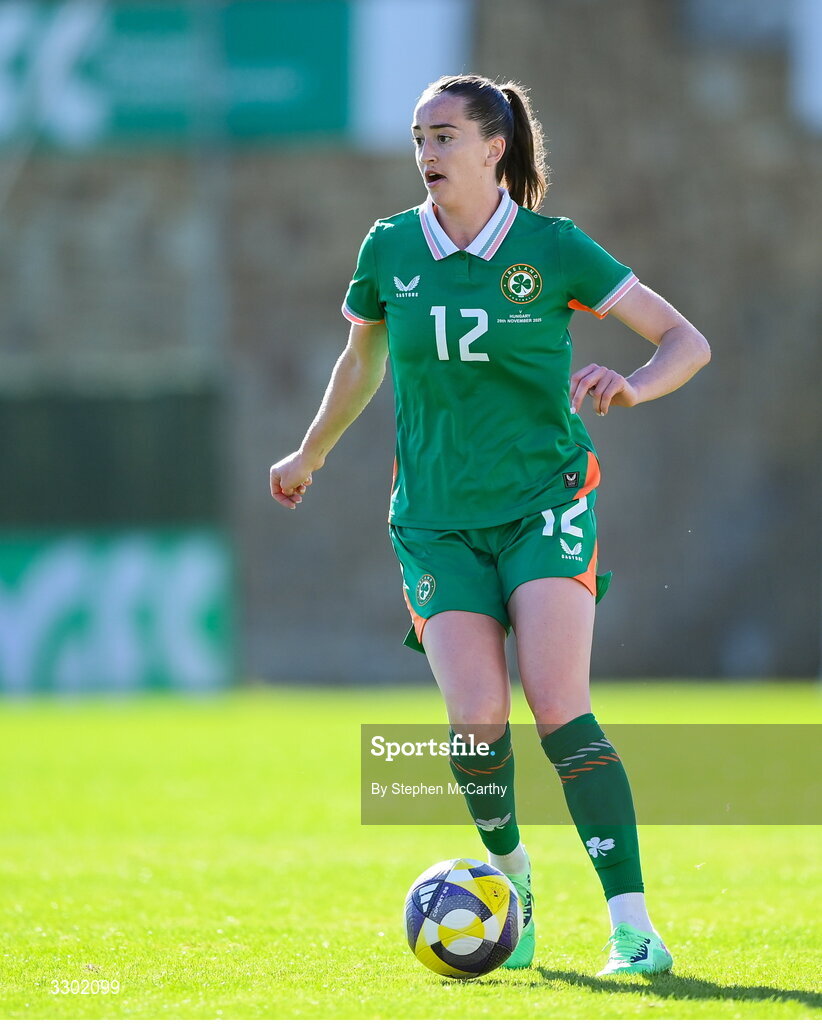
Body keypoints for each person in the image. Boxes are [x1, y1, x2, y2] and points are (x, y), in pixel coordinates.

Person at [270, 74, 710, 975]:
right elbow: (362, 361)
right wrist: (309, 452)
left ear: (493, 147)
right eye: (419, 138)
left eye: (443, 137)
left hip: (546, 502)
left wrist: (632, 384)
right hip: (434, 522)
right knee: (476, 718)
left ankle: (634, 928)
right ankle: (516, 893)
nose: (426, 154)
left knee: (557, 707)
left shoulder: (553, 248)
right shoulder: (390, 245)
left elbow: (684, 341)